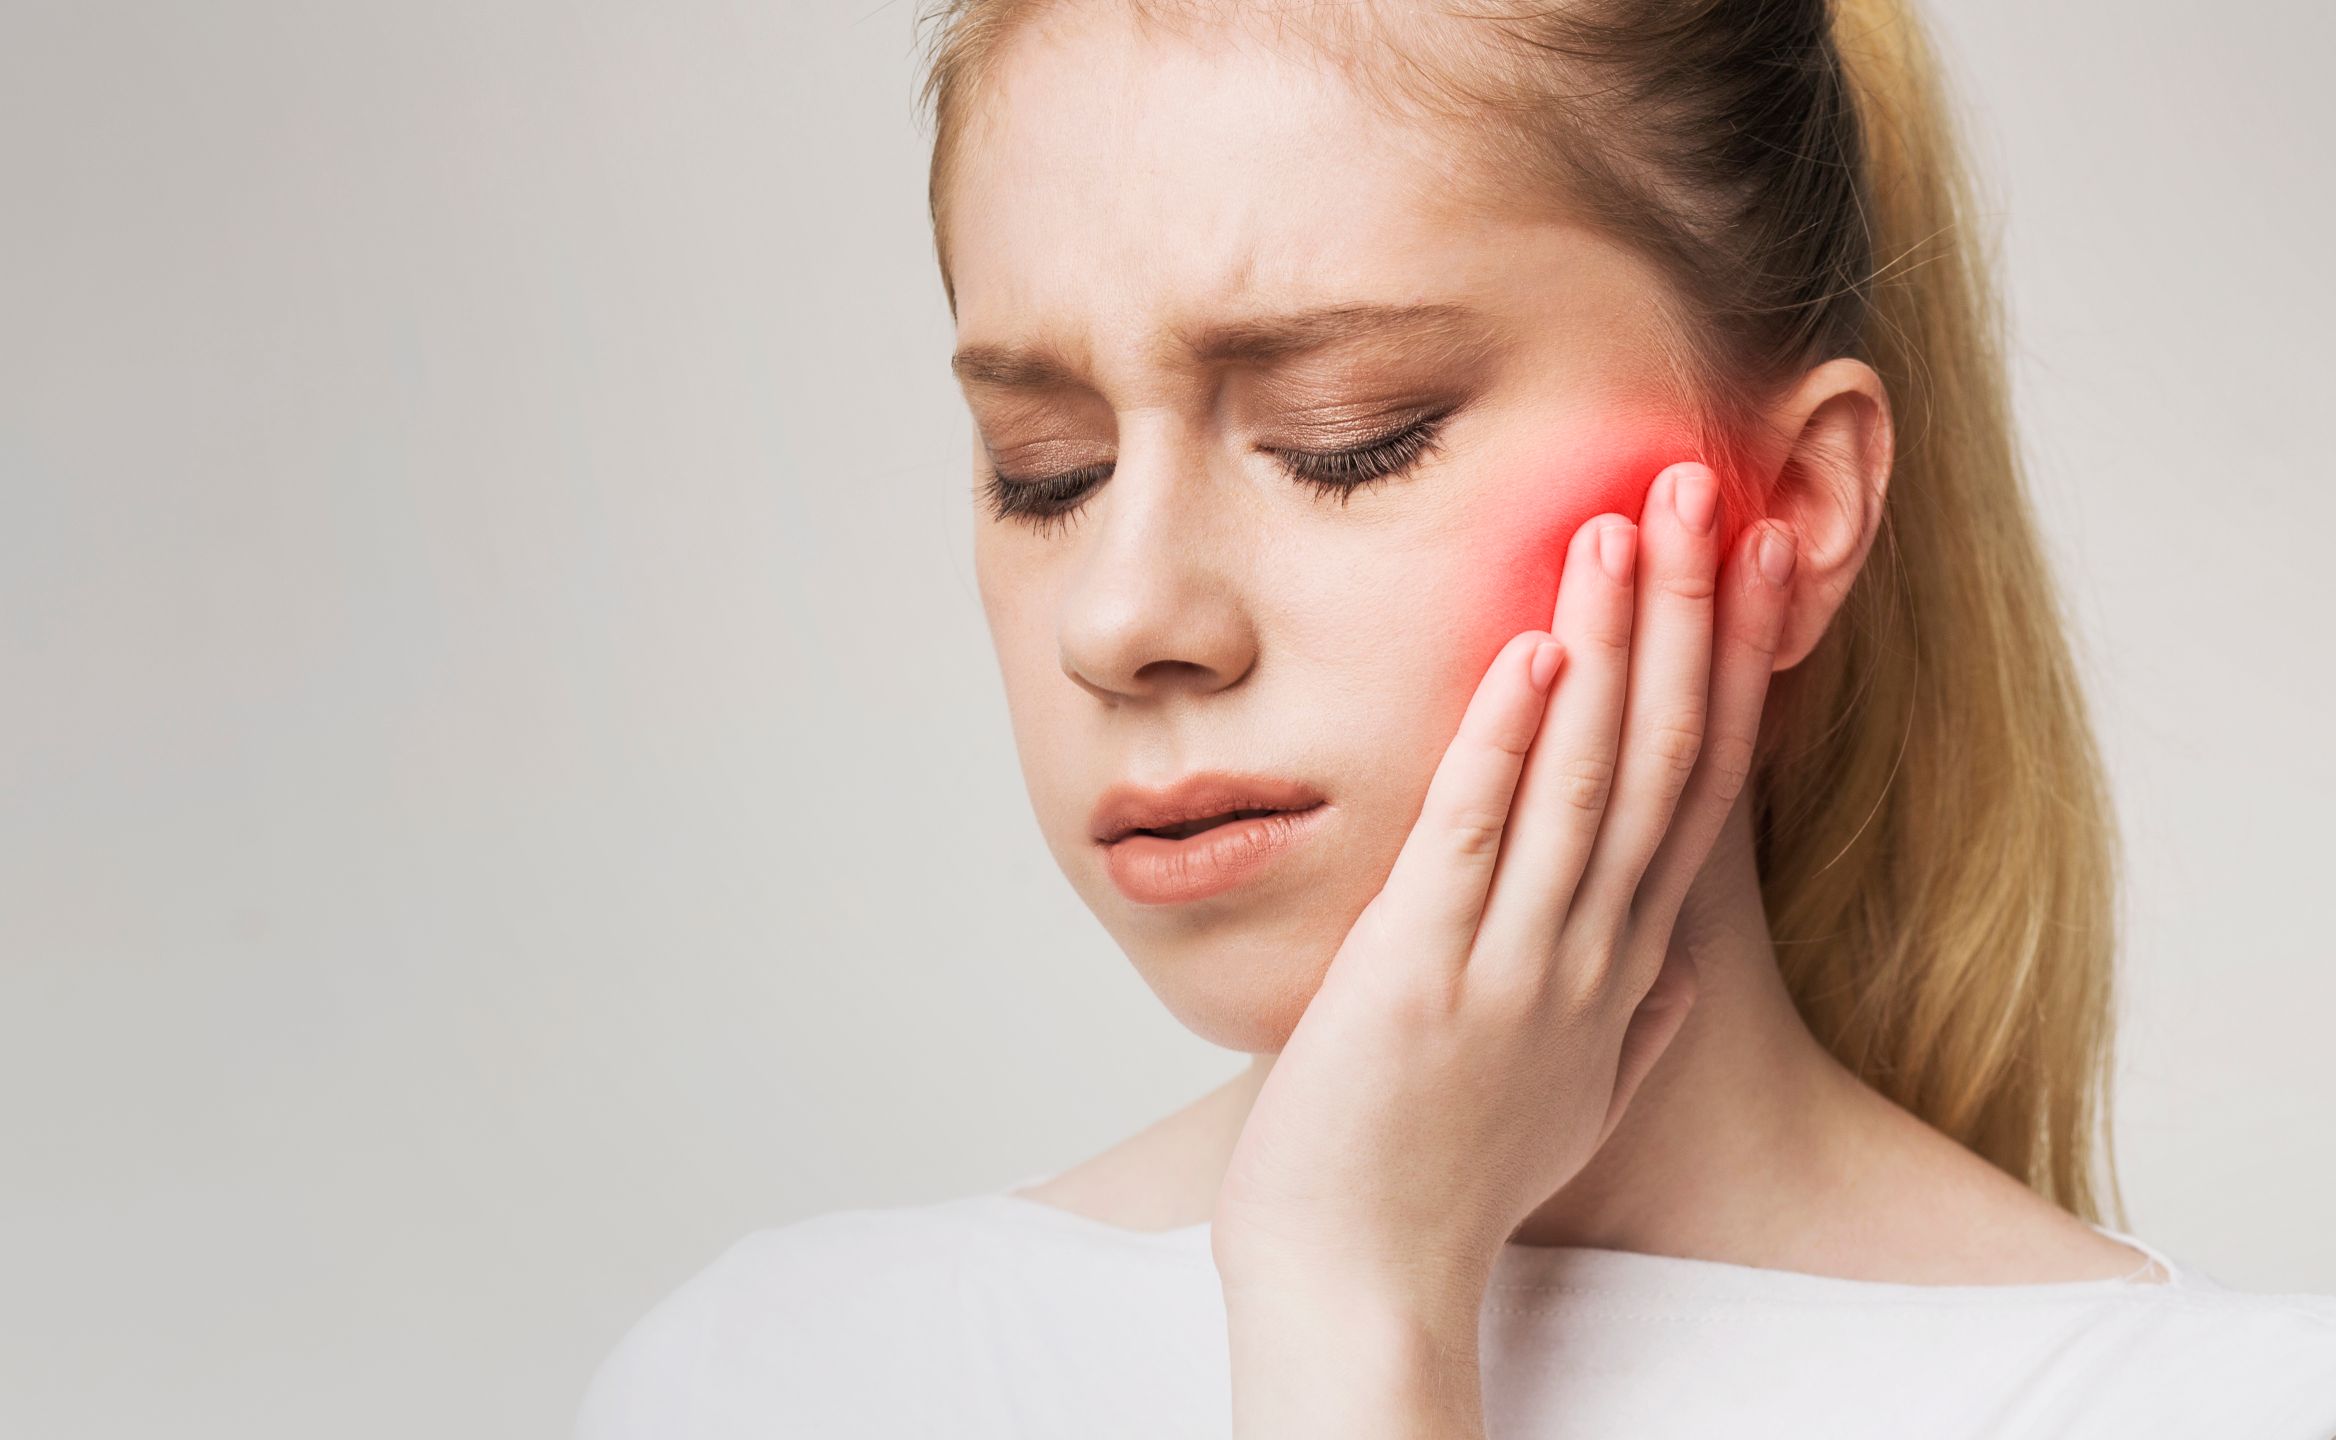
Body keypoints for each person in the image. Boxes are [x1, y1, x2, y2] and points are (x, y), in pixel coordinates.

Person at [575, 0, 2336, 1435]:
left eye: (1348, 433)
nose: (1122, 621)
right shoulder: (774, 1384)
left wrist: (1365, 1314)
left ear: (1790, 509)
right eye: (1047, 473)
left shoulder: (2217, 1407)